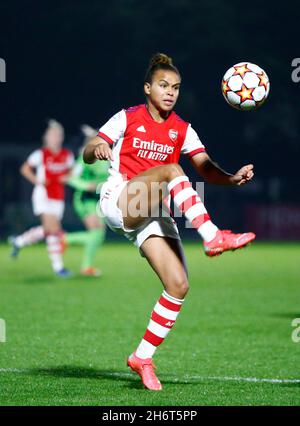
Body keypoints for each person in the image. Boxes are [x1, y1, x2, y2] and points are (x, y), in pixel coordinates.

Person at [83, 53, 256, 391]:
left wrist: (232, 178)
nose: (170, 92)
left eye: (175, 87)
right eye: (163, 85)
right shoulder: (127, 118)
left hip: (152, 210)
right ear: (147, 87)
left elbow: (205, 167)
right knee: (172, 170)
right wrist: (98, 148)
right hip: (121, 198)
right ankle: (212, 236)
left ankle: (142, 357)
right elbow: (91, 147)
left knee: (178, 285)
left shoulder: (182, 129)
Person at [10, 119, 74, 277]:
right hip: (43, 195)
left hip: (58, 197)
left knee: (49, 231)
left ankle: (19, 241)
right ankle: (58, 268)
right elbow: (24, 169)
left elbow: (72, 171)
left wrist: (67, 177)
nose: (56, 138)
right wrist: (37, 180)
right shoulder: (41, 154)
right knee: (54, 230)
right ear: (46, 138)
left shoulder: (67, 155)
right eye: (52, 135)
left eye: (58, 135)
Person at [65, 125, 109, 277]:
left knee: (99, 234)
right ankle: (85, 265)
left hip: (98, 200)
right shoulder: (85, 158)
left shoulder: (108, 158)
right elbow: (70, 178)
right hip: (84, 199)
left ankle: (65, 240)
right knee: (96, 232)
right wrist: (86, 185)